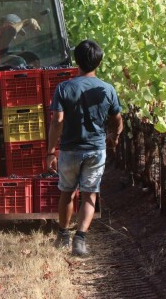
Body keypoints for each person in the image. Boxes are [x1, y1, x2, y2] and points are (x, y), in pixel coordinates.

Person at [46, 40, 123, 257]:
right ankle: (80, 239)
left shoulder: (64, 88)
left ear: (76, 61)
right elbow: (117, 119)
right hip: (96, 150)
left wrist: (51, 151)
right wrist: (113, 137)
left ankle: (63, 235)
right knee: (90, 194)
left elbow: (57, 120)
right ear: (98, 62)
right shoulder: (107, 89)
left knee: (67, 193)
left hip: (70, 149)